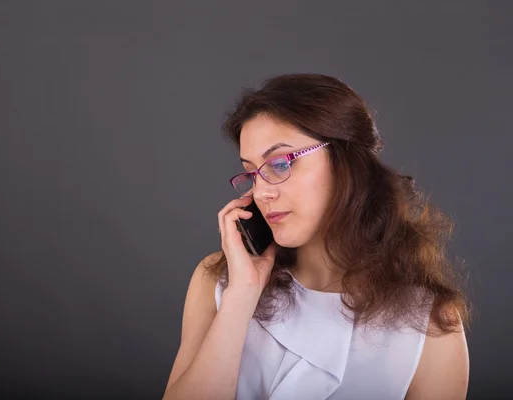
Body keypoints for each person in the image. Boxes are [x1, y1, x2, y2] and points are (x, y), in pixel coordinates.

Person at [163, 73, 470, 400]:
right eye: (252, 173)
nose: (262, 192)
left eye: (279, 164)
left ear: (345, 162)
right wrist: (242, 297)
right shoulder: (218, 281)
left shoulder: (429, 323)